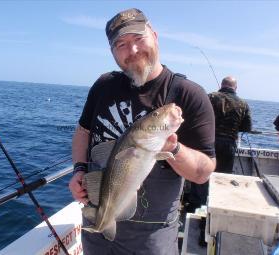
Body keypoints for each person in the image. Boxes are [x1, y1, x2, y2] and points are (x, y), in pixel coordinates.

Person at [68, 8, 216, 255]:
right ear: (112, 51)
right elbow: (83, 132)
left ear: (155, 36)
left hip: (150, 240)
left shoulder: (190, 95)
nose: (133, 50)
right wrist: (79, 170)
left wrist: (174, 149)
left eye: (139, 39)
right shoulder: (104, 85)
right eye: (121, 44)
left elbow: (203, 172)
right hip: (97, 224)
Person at [208, 76, 252, 173]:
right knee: (223, 175)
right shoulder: (243, 104)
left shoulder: (210, 97)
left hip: (209, 141)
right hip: (229, 145)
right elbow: (247, 127)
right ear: (236, 88)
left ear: (221, 85)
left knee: (205, 172)